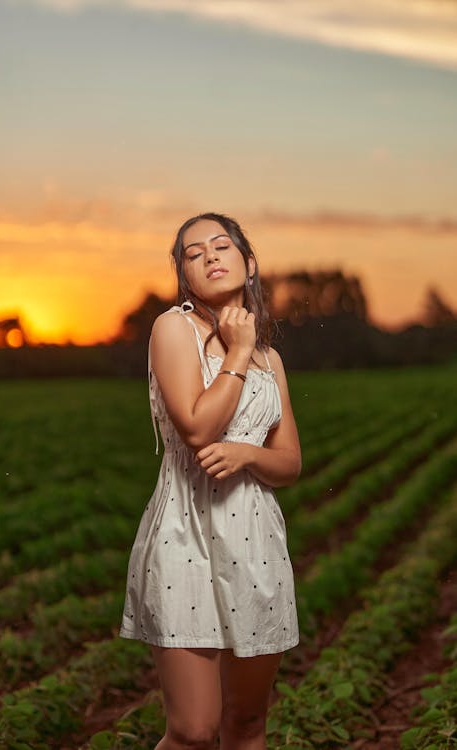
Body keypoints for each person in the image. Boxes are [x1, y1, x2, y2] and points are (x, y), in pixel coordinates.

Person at [120, 212, 302, 750]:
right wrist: (239, 351)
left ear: (248, 265)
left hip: (256, 545)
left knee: (246, 726)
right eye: (194, 254)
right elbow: (199, 427)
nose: (210, 257)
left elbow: (289, 462)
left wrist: (249, 454)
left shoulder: (273, 360)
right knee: (194, 731)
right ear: (185, 276)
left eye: (221, 247)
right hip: (185, 537)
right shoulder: (173, 330)